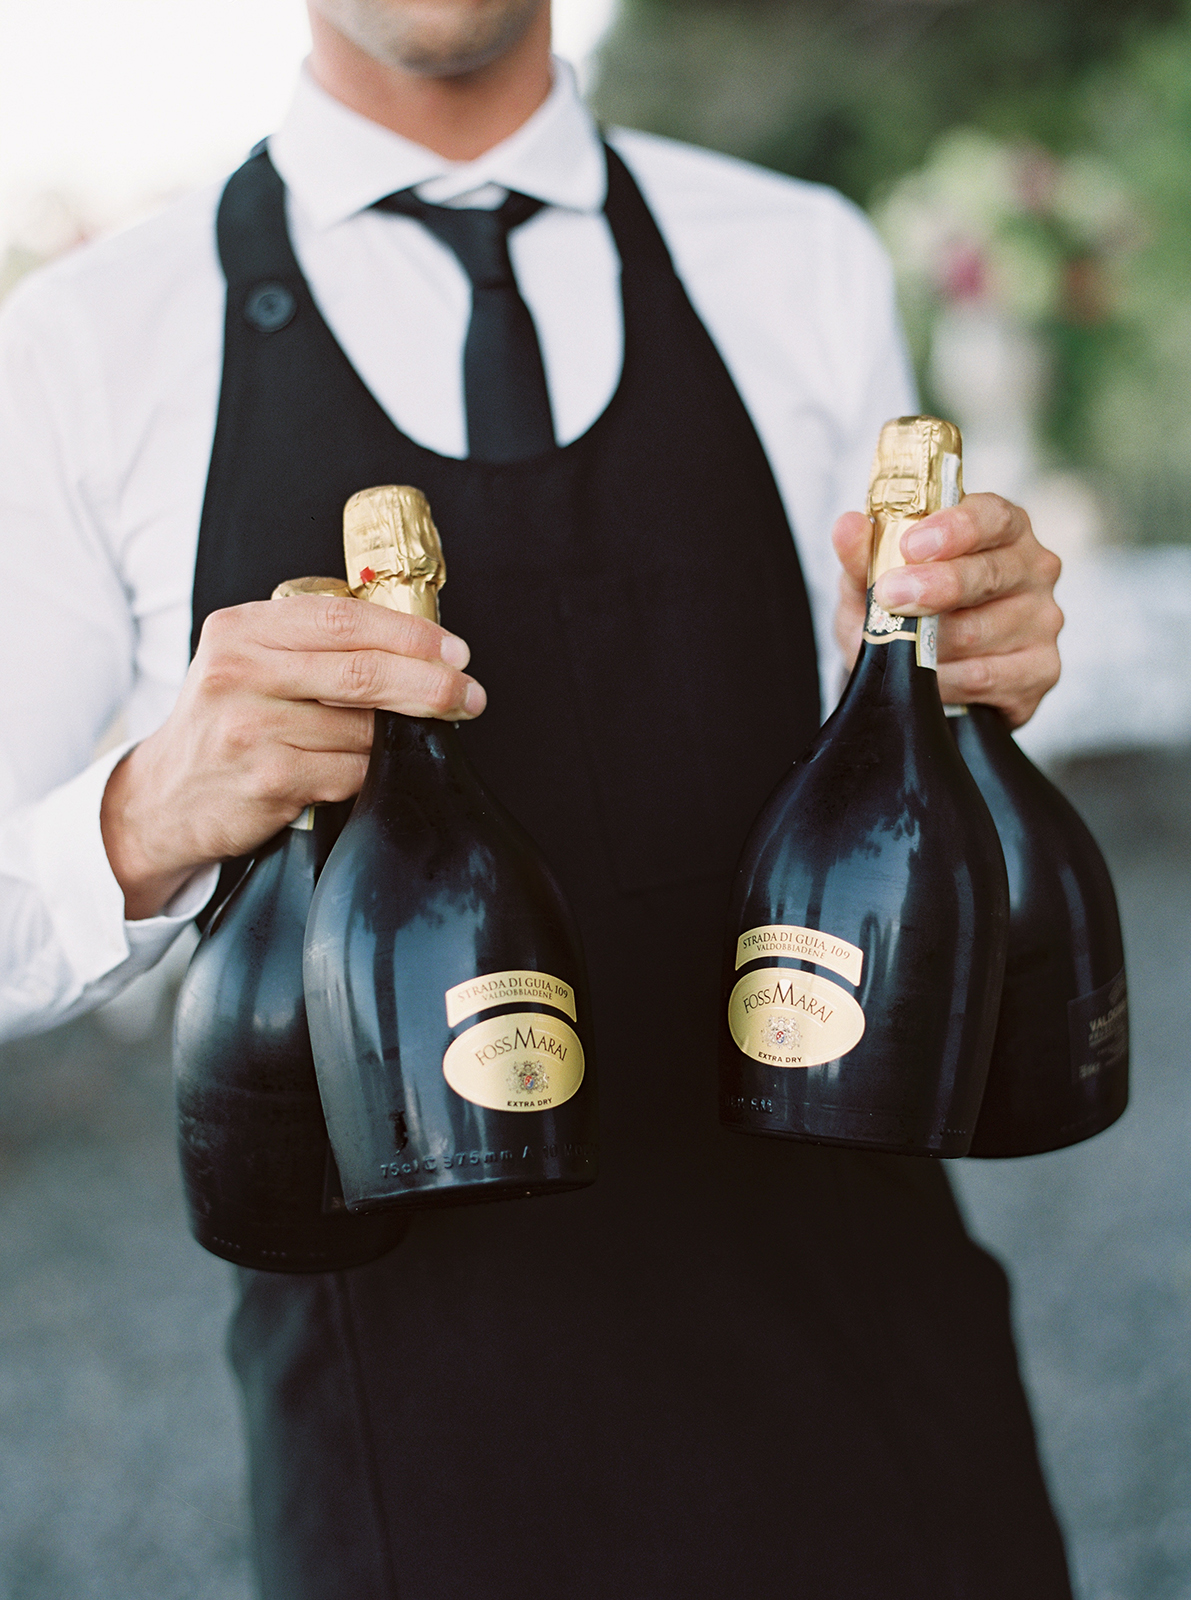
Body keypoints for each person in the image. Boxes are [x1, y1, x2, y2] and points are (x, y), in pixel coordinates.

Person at [0, 1, 1070, 1595]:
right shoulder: (85, 344)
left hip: (869, 1361)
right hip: (415, 1438)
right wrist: (144, 813)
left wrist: (963, 678)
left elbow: (898, 751)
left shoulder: (799, 256)